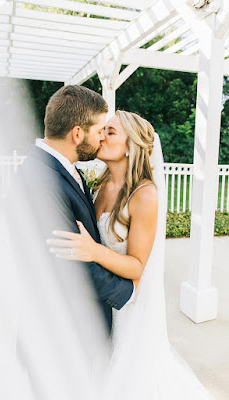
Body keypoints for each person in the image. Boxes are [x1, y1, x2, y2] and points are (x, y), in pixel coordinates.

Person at [48, 110, 214, 400]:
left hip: (131, 306)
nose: (101, 135)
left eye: (110, 132)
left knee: (129, 377)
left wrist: (93, 250)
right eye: (103, 130)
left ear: (129, 146)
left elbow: (137, 267)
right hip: (104, 299)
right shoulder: (99, 185)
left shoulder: (144, 195)